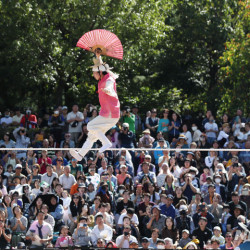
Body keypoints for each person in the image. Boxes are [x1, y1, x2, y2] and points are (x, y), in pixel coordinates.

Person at [70, 53, 120, 161]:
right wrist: (98, 57)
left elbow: (110, 84)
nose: (93, 74)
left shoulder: (108, 79)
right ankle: (80, 155)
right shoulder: (102, 79)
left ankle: (106, 142)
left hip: (110, 113)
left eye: (94, 72)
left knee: (90, 126)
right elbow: (102, 66)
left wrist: (108, 89)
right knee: (92, 136)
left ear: (100, 72)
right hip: (108, 114)